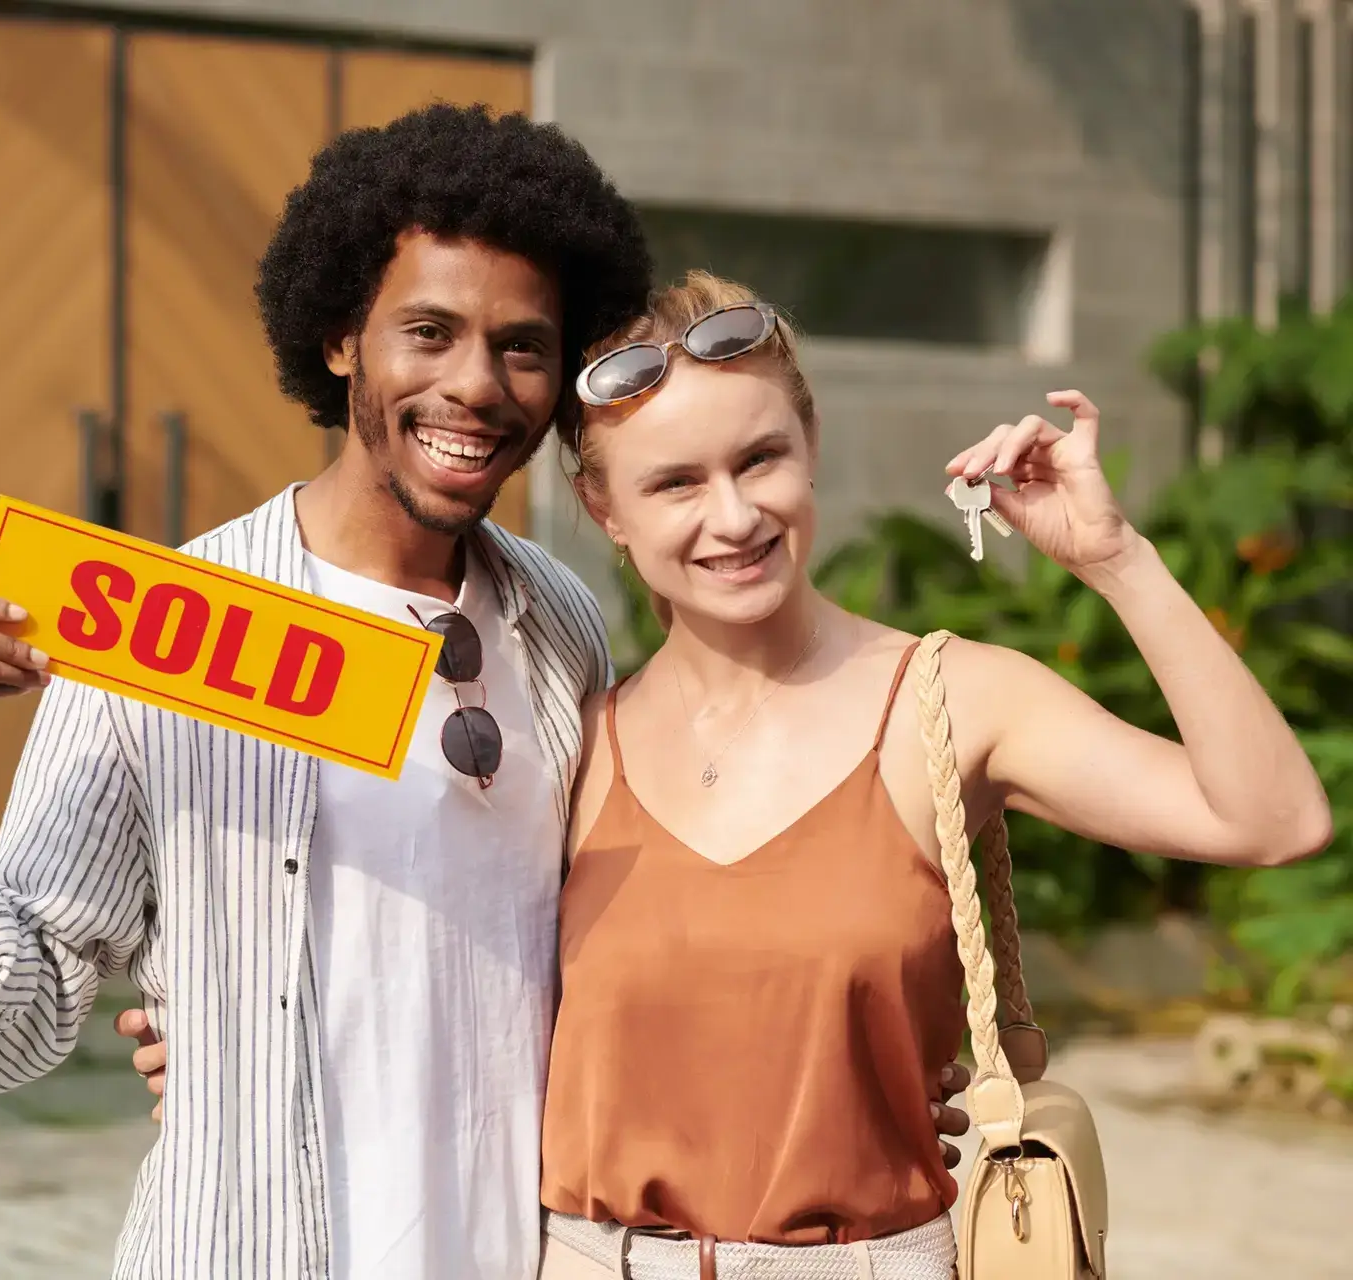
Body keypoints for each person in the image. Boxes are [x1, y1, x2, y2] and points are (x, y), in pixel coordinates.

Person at [0, 106, 968, 1280]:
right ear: (341, 337)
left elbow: (635, 945)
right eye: (430, 332)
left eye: (522, 346)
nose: (475, 385)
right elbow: (7, 1028)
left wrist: (866, 1062)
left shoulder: (560, 624)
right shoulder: (164, 628)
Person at [532, 271, 1333, 1278]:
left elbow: (1272, 820)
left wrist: (1116, 559)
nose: (732, 516)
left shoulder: (952, 700)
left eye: (760, 458)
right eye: (675, 483)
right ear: (603, 505)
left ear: (811, 444)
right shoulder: (571, 742)